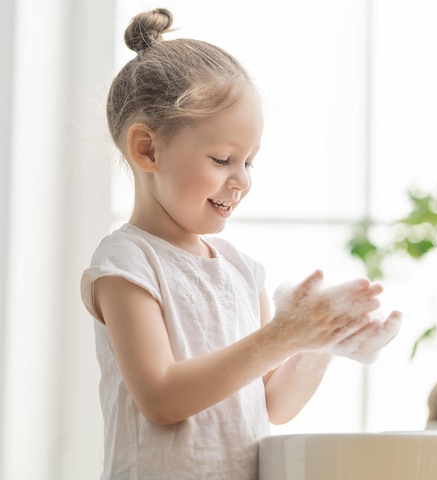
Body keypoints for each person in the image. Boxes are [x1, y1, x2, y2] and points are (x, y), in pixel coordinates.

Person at [80, 7, 402, 480]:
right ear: (147, 149)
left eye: (249, 162)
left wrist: (320, 344)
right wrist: (283, 336)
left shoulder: (242, 268)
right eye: (223, 158)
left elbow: (274, 402)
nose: (242, 180)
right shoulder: (127, 262)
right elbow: (162, 399)